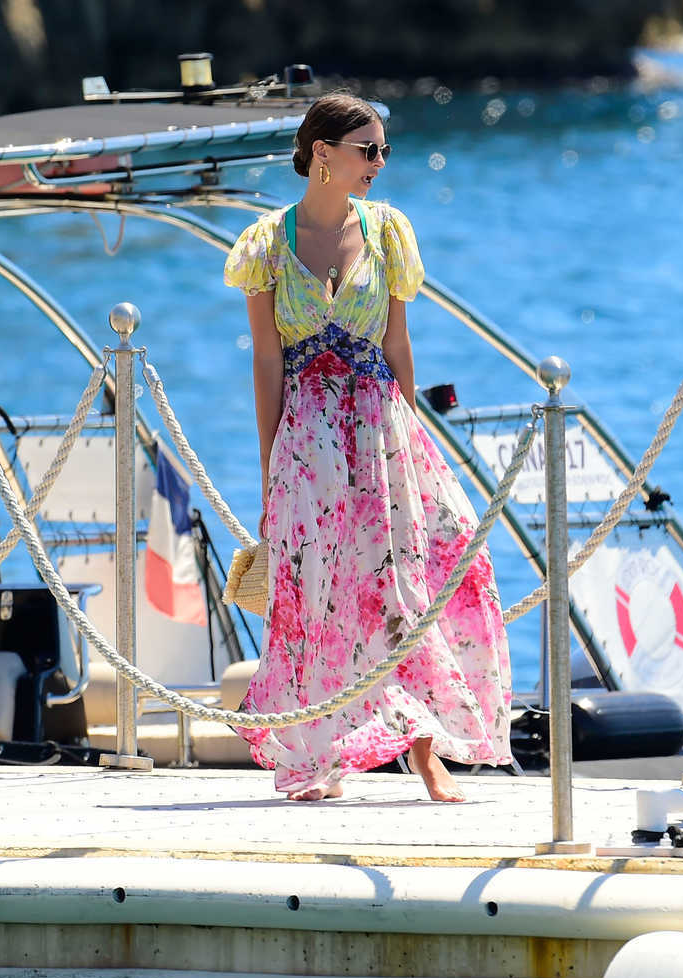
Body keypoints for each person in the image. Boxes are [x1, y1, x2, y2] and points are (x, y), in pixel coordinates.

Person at [222, 93, 513, 802]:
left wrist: (411, 439)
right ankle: (318, 755)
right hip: (307, 439)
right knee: (315, 593)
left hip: (382, 430)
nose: (380, 164)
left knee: (405, 588)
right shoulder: (265, 244)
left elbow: (398, 344)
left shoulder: (387, 233)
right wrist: (270, 465)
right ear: (322, 153)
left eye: (384, 151)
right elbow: (266, 362)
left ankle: (425, 755)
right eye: (368, 150)